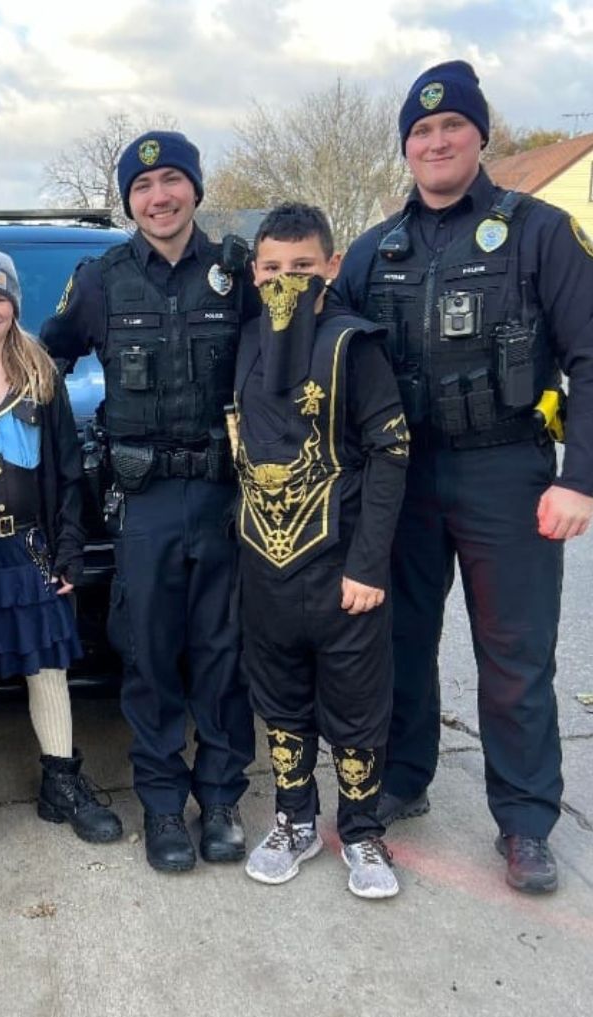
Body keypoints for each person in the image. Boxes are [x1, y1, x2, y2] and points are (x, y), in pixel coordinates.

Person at [334, 61, 593, 894]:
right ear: (406, 148)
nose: (436, 141)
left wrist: (579, 477)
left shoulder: (541, 232)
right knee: (400, 640)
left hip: (508, 473)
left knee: (515, 655)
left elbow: (590, 358)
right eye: (420, 131)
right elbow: (326, 359)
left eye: (451, 127)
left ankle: (524, 820)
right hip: (402, 481)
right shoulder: (375, 250)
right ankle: (405, 776)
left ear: (481, 135)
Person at [40, 131, 256, 873]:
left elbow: (286, 363)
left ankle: (222, 798)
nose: (158, 197)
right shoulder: (99, 278)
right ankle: (164, 807)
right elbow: (44, 360)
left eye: (171, 181)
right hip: (146, 501)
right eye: (142, 186)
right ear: (128, 200)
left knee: (223, 655)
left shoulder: (239, 271)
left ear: (194, 187)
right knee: (152, 656)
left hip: (227, 495)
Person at [231, 204, 409, 899]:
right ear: (254, 272)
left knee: (357, 706)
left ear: (331, 267)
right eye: (272, 268)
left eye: (302, 267)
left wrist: (368, 565)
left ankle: (362, 833)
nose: (286, 280)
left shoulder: (353, 345)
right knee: (280, 703)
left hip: (342, 570)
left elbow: (391, 452)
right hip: (266, 567)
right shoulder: (245, 340)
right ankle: (293, 821)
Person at [0, 248, 123, 853]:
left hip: (31, 548)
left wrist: (69, 549)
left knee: (48, 667)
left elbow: (69, 471)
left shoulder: (41, 375)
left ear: (14, 304)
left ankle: (61, 782)